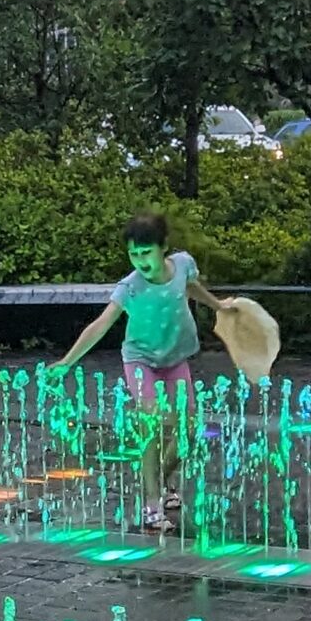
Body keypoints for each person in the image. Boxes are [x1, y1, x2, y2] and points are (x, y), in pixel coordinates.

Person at [49, 212, 237, 528]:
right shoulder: (130, 287)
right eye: (133, 254)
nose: (140, 261)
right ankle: (152, 507)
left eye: (146, 253)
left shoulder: (183, 265)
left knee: (188, 433)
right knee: (152, 424)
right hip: (140, 361)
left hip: (175, 359)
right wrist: (67, 361)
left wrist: (218, 305)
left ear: (163, 247)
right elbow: (100, 325)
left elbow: (191, 288)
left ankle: (164, 481)